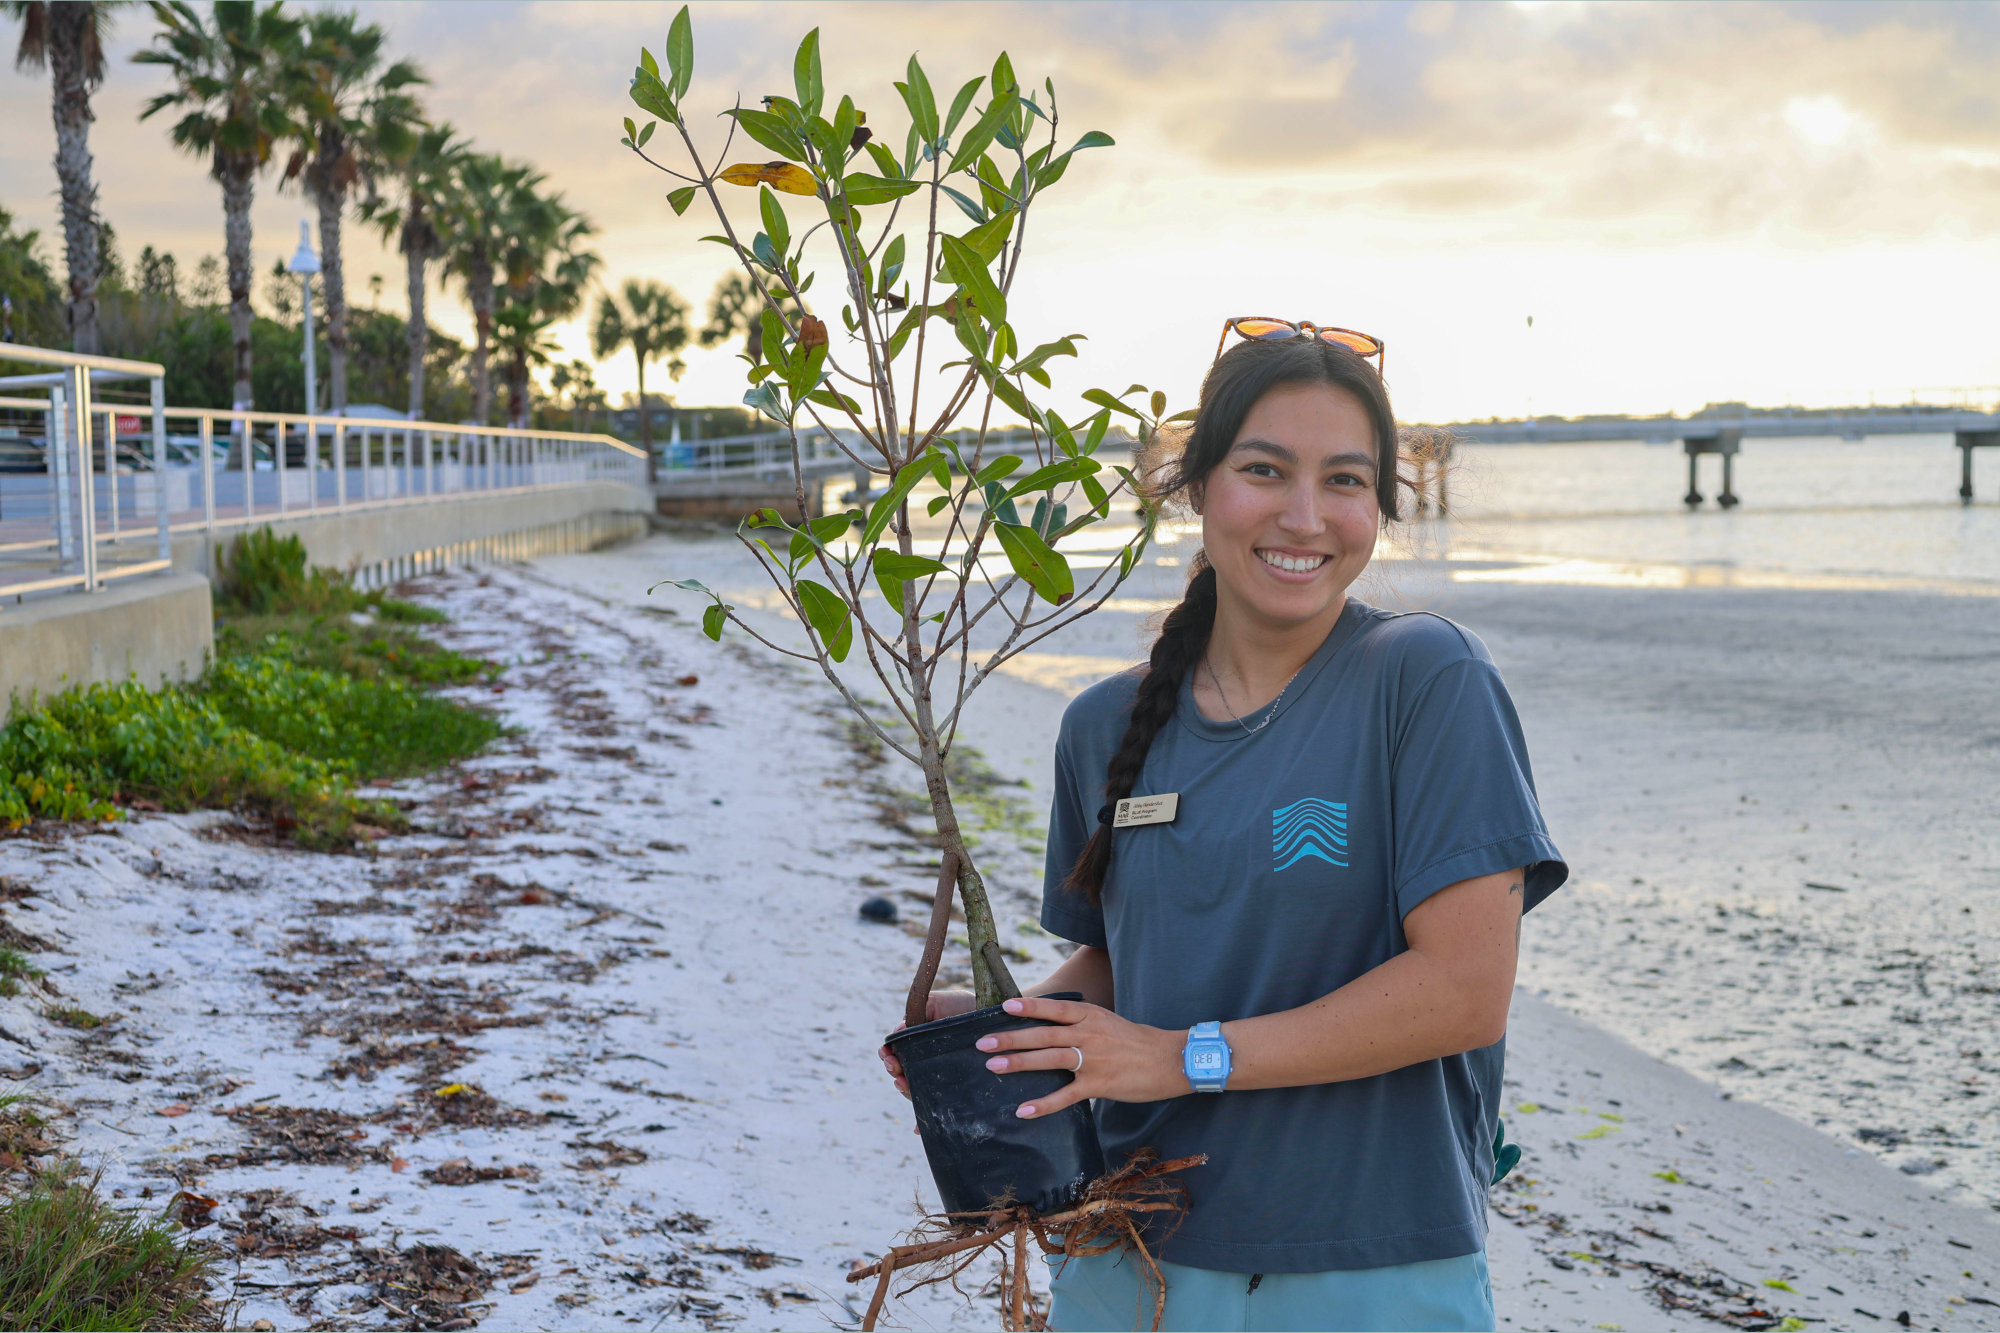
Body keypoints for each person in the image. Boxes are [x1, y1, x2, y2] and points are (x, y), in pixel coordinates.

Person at [881, 323, 1567, 1332]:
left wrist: (1183, 1056)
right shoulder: (1103, 724)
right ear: (1194, 484)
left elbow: (1463, 991)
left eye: (1344, 479)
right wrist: (1010, 1032)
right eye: (1263, 470)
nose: (1304, 515)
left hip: (1364, 1263)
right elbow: (1128, 967)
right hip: (1130, 1254)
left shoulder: (1424, 679)